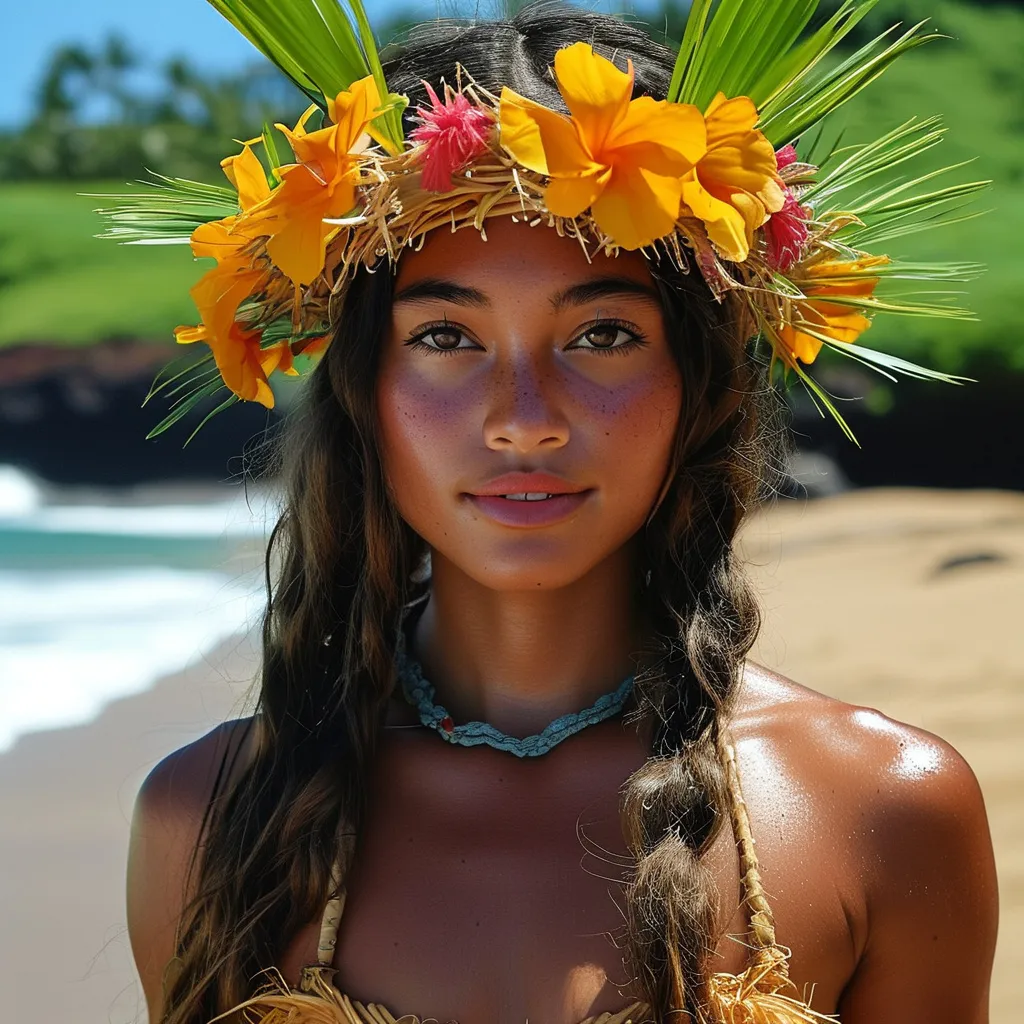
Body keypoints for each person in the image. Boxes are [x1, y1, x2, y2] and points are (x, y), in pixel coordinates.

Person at [120, 4, 998, 1023]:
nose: (522, 421)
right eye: (446, 336)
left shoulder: (881, 805)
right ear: (365, 390)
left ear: (701, 383)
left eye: (604, 333)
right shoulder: (210, 819)